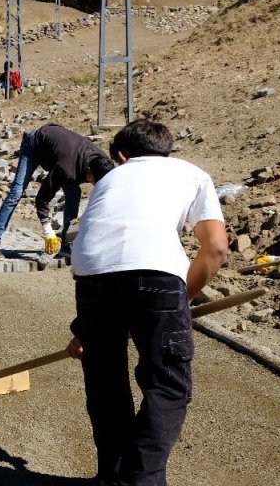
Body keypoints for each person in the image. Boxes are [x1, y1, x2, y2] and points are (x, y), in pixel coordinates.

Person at [65, 119, 229, 485]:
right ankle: (141, 480)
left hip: (91, 276)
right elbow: (216, 247)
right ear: (168, 150)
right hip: (156, 275)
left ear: (121, 157)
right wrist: (180, 302)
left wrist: (85, 331)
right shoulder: (192, 173)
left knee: (106, 386)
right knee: (167, 385)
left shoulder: (108, 181)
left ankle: (113, 476)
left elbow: (106, 246)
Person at [0, 123, 114, 261]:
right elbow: (42, 199)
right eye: (93, 180)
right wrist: (48, 230)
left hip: (58, 147)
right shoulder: (66, 167)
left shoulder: (102, 161)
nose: (92, 184)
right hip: (34, 145)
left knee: (74, 194)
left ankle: (66, 243)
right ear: (88, 170)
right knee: (16, 192)